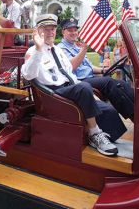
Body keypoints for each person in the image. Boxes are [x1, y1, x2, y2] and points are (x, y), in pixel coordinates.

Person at [22, 14, 129, 157]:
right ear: (38, 31)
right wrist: (38, 48)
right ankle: (94, 134)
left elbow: (70, 74)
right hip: (52, 94)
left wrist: (91, 96)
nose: (50, 32)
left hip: (69, 88)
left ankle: (109, 137)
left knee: (108, 110)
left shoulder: (58, 51)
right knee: (84, 87)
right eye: (46, 29)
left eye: (52, 29)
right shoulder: (33, 52)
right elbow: (28, 75)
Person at [57, 18, 134, 122]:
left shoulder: (76, 47)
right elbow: (71, 67)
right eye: (70, 30)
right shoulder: (61, 48)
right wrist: (84, 49)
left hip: (89, 77)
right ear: (63, 32)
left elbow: (89, 67)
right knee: (110, 83)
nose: (74, 32)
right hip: (78, 81)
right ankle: (135, 116)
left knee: (121, 83)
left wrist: (104, 70)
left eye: (75, 30)